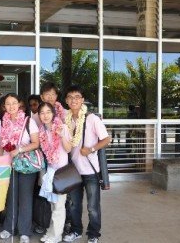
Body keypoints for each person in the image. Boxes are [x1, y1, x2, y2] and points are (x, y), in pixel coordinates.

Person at [62, 85, 111, 243]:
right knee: (74, 205)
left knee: (92, 207)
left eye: (77, 96)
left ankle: (94, 234)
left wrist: (91, 149)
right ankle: (76, 231)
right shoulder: (66, 120)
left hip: (90, 171)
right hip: (74, 171)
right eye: (70, 97)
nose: (74, 100)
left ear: (82, 100)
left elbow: (106, 139)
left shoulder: (92, 118)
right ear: (66, 101)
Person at [0, 93, 40, 243]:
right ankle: (9, 228)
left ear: (19, 104)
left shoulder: (28, 121)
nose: (11, 106)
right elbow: (0, 145)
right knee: (11, 197)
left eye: (14, 103)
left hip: (26, 165)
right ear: (4, 107)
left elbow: (36, 143)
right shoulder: (3, 122)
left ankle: (24, 232)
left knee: (25, 198)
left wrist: (19, 150)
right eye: (7, 104)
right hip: (9, 164)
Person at [38, 102, 72, 243]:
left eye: (48, 112)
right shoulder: (42, 131)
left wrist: (61, 135)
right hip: (51, 171)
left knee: (58, 206)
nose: (45, 115)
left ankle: (56, 236)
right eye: (42, 113)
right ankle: (51, 232)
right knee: (53, 205)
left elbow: (68, 149)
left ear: (53, 114)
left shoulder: (62, 127)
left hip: (62, 173)